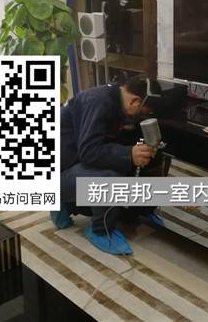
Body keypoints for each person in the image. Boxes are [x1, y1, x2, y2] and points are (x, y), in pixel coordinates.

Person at [51, 75, 164, 255]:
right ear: (135, 101)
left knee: (136, 159)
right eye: (143, 112)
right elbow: (89, 152)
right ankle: (99, 230)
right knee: (112, 179)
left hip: (73, 160)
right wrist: (129, 154)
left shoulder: (117, 101)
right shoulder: (98, 102)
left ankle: (141, 209)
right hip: (60, 171)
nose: (142, 117)